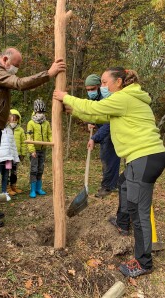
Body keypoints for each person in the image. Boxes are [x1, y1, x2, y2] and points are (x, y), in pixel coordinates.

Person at [53, 67, 165, 278]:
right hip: (141, 158)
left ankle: (144, 262)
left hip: (144, 157)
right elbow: (100, 114)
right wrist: (73, 110)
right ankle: (124, 223)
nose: (102, 87)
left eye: (105, 83)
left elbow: (95, 108)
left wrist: (66, 96)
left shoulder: (124, 98)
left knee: (140, 213)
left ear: (119, 82)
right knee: (125, 188)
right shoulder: (126, 99)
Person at [0, 47, 65, 225]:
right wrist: (49, 73)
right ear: (5, 59)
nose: (17, 69)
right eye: (16, 65)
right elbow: (20, 83)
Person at [85, 74, 120, 197]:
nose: (90, 92)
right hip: (103, 131)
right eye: (88, 90)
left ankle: (108, 186)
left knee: (109, 158)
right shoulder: (92, 98)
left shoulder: (107, 98)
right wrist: (90, 122)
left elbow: (109, 122)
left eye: (92, 89)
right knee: (106, 158)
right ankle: (111, 184)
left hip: (111, 131)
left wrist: (95, 138)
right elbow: (92, 112)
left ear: (99, 86)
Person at [26, 99, 52, 198]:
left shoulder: (46, 123)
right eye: (39, 112)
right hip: (34, 150)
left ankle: (38, 188)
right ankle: (32, 189)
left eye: (42, 112)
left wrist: (53, 142)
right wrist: (32, 150)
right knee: (34, 169)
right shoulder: (31, 123)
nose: (40, 114)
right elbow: (29, 137)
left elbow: (49, 134)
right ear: (35, 111)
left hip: (43, 149)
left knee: (40, 169)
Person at [0, 112, 20, 199]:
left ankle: (5, 193)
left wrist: (15, 157)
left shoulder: (10, 130)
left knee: (5, 176)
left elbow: (13, 145)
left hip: (8, 158)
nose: (11, 121)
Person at [8, 109, 27, 194]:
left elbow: (23, 142)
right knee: (7, 171)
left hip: (16, 155)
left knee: (14, 171)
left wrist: (23, 154)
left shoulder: (20, 130)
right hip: (8, 155)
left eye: (15, 119)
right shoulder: (5, 129)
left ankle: (13, 186)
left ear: (18, 120)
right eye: (12, 119)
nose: (13, 121)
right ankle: (8, 188)